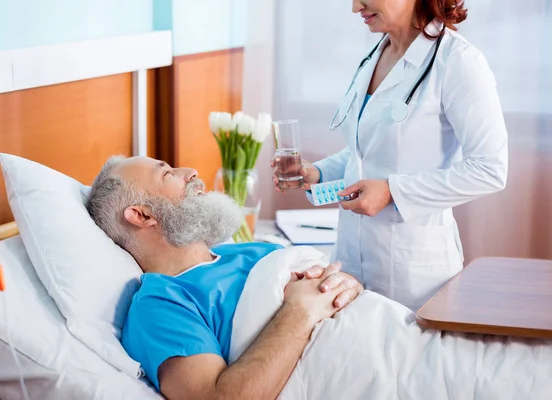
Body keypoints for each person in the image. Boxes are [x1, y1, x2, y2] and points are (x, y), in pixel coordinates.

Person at [272, 0, 508, 311]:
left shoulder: (458, 62)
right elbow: (367, 153)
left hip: (414, 276)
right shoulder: (377, 54)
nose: (355, 7)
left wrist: (392, 192)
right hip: (348, 260)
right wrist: (317, 172)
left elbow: (489, 170)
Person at [86, 155, 364, 399]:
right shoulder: (160, 303)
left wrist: (348, 287)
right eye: (168, 173)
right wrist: (300, 310)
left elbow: (341, 298)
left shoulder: (256, 250)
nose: (191, 171)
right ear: (142, 215)